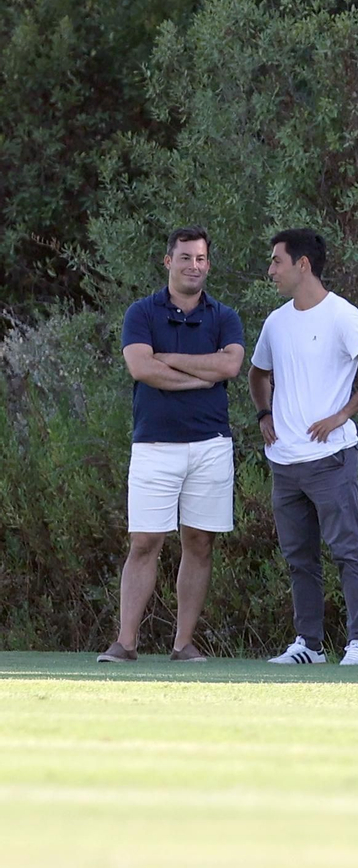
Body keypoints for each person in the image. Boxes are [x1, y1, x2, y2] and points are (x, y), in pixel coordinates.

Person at [249, 229, 358, 666]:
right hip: (285, 462)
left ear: (303, 264)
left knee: (347, 551)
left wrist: (342, 414)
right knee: (299, 560)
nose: (271, 270)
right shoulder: (276, 322)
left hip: (331, 459)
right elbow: (258, 374)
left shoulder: (340, 315)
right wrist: (264, 415)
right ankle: (308, 645)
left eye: (277, 261)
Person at [99, 226, 245, 664]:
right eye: (185, 258)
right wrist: (203, 375)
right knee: (145, 541)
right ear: (168, 261)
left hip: (211, 446)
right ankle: (125, 644)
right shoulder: (141, 313)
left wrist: (171, 359)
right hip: (154, 446)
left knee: (199, 542)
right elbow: (142, 369)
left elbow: (232, 364)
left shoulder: (225, 316)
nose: (193, 266)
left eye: (200, 259)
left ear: (208, 264)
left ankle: (183, 645)